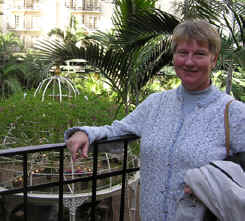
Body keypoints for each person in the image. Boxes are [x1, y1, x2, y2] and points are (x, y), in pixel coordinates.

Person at [64, 19, 245, 221]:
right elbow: (118, 130)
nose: (189, 61)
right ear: (174, 56)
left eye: (200, 54)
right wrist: (86, 133)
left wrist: (210, 182)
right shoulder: (156, 104)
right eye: (182, 53)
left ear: (213, 59)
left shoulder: (233, 113)